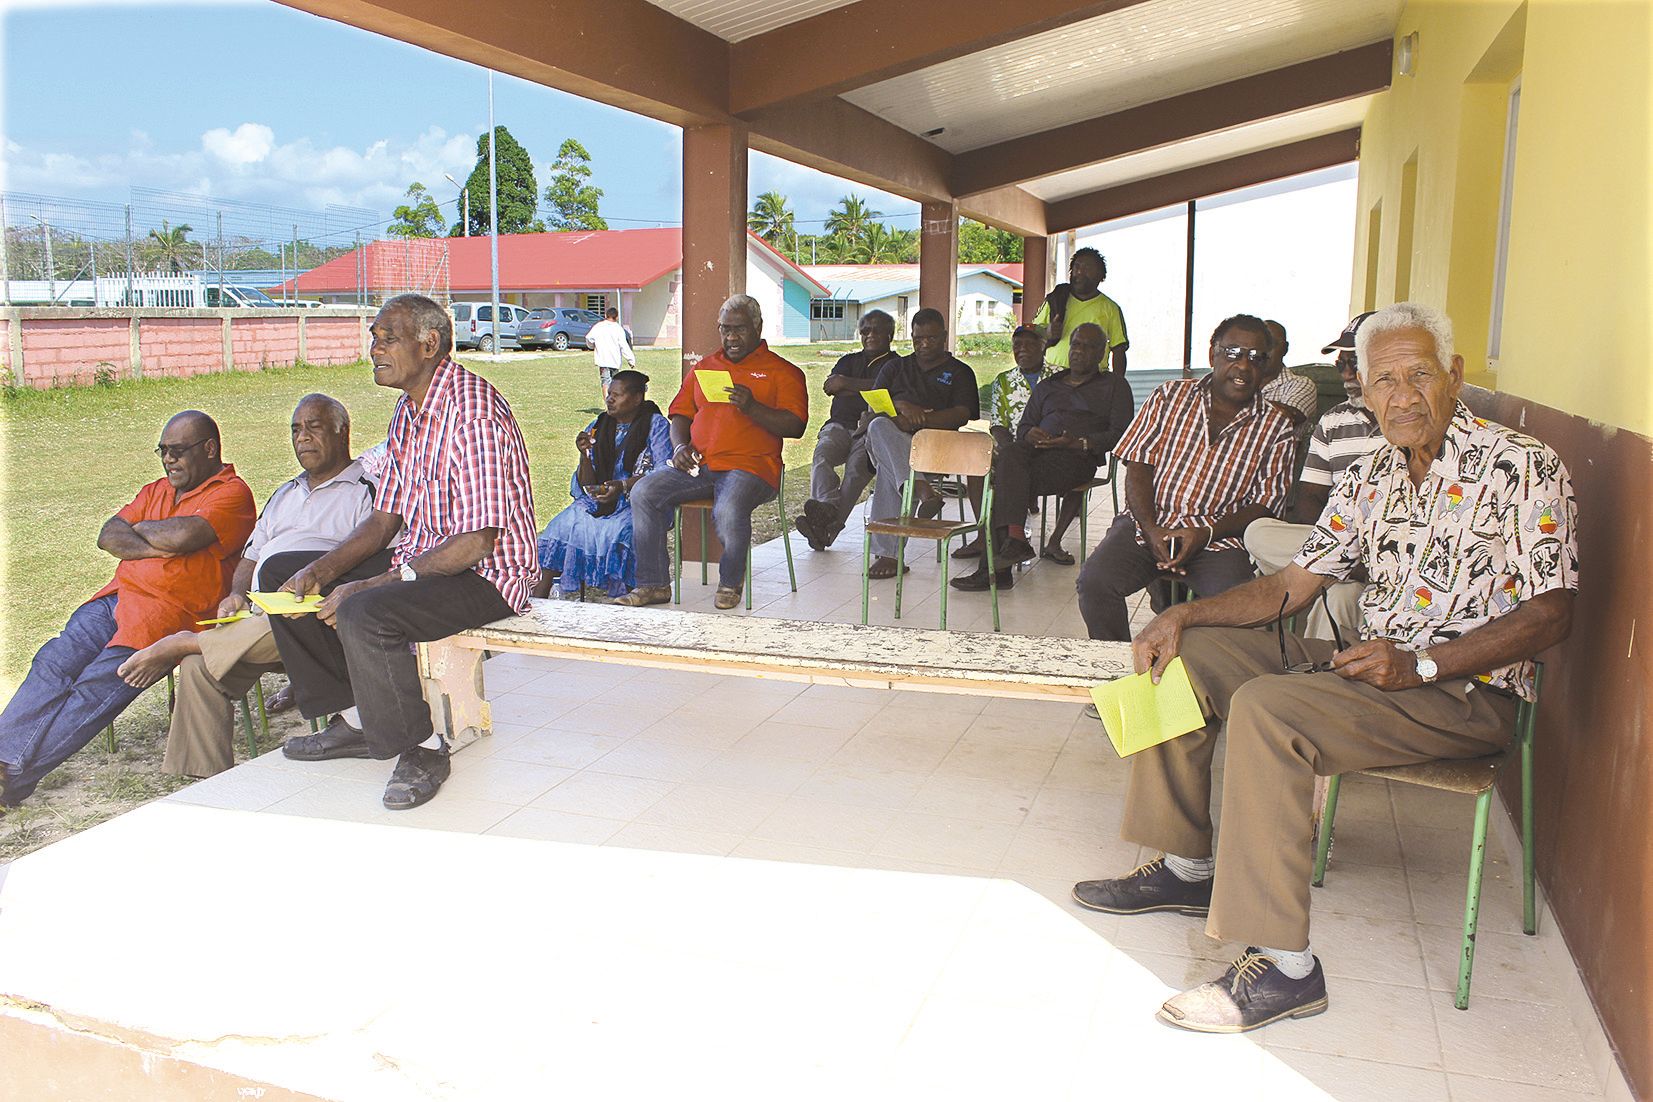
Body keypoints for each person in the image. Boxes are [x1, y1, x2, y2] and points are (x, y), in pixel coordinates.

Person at [1070, 302, 1578, 1034]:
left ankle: (1284, 968)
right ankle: (1184, 867)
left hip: (1465, 690)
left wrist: (1424, 663)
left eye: (1419, 375)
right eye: (1384, 382)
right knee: (1188, 657)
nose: (1403, 396)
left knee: (1270, 710)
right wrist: (1185, 616)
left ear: (1454, 374)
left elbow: (1551, 615)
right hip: (1373, 668)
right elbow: (1290, 585)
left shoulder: (1521, 465)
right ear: (1362, 392)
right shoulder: (1372, 471)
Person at [271, 294, 538, 811]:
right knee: (285, 572)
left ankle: (423, 749)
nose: (374, 350)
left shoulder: (473, 414)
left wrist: (372, 584)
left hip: (488, 575)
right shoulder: (407, 413)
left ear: (429, 344)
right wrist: (320, 570)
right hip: (425, 560)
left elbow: (475, 542)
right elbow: (384, 520)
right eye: (374, 339)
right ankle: (355, 719)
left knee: (365, 610)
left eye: (387, 339)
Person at [115, 395, 380, 778]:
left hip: (317, 618)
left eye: (314, 427)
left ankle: (186, 641)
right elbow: (251, 557)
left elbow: (372, 564)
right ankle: (202, 778)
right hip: (259, 615)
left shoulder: (366, 491)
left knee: (215, 645)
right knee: (199, 668)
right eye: (296, 430)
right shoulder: (285, 493)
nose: (303, 438)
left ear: (343, 433)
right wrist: (237, 594)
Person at [0, 412, 255, 807]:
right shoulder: (156, 489)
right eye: (163, 451)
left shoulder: (232, 493)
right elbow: (109, 534)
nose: (168, 460)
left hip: (168, 616)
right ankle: (4, 764)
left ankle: (11, 781)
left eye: (178, 450)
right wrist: (164, 541)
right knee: (52, 661)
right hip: (116, 598)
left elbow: (187, 535)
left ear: (209, 449)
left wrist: (145, 531)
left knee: (93, 689)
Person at [1075, 314, 1296, 641]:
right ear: (1212, 354)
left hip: (1218, 539)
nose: (1244, 365)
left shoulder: (1276, 426)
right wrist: (1151, 529)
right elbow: (1138, 464)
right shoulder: (1169, 396)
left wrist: (1204, 534)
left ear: (1267, 366)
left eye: (1256, 357)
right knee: (1095, 583)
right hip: (1149, 524)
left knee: (1239, 612)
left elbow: (1265, 504)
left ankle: (1198, 667)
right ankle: (1120, 663)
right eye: (1233, 352)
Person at [616, 294, 808, 611]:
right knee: (644, 491)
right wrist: (680, 446)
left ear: (758, 327)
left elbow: (796, 425)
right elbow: (680, 414)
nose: (731, 337)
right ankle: (653, 585)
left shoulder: (783, 371)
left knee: (728, 509)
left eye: (739, 329)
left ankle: (730, 582)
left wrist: (752, 407)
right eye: (725, 329)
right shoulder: (706, 366)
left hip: (752, 469)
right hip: (700, 466)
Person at [951, 323, 1135, 591]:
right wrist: (1031, 434)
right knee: (1010, 456)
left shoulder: (1114, 386)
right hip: (1036, 453)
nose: (1078, 351)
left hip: (1076, 459)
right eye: (1075, 344)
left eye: (1087, 347)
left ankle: (997, 568)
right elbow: (1024, 426)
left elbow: (1121, 434)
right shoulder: (1050, 385)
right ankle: (1011, 546)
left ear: (1101, 353)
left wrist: (1078, 443)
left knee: (1006, 481)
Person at [1244, 312, 1384, 641]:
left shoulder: (1407, 424)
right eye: (1341, 364)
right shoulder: (1334, 421)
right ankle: (1350, 570)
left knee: (1336, 594)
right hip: (1341, 542)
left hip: (1392, 543)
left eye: (1354, 362)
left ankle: (1342, 570)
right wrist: (1334, 546)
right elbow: (1310, 496)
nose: (1346, 373)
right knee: (1258, 534)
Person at [861, 307, 979, 580]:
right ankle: (920, 487)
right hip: (892, 438)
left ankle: (889, 554)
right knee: (879, 426)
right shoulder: (896, 367)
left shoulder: (960, 372)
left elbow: (962, 414)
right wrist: (901, 408)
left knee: (891, 470)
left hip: (937, 447)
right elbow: (874, 405)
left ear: (945, 337)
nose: (924, 344)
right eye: (918, 339)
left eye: (931, 338)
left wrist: (921, 421)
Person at [534, 369, 673, 599]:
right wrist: (585, 455)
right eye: (609, 394)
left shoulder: (655, 425)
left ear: (637, 398)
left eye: (617, 395)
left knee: (621, 532)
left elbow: (663, 472)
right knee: (560, 526)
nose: (609, 400)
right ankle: (536, 599)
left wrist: (623, 486)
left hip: (638, 503)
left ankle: (631, 596)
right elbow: (586, 484)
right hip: (601, 501)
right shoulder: (600, 424)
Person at [795, 309, 897, 551]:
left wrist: (846, 383)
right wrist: (864, 388)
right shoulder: (848, 361)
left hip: (870, 430)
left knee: (855, 471)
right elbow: (830, 387)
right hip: (838, 426)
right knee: (822, 456)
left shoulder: (896, 365)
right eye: (865, 331)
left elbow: (886, 391)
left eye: (876, 331)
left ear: (890, 335)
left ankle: (825, 531)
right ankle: (827, 508)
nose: (869, 335)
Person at [1033, 247, 1129, 373]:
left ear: (1101, 276)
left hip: (1093, 378)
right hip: (1053, 376)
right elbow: (1032, 335)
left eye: (1087, 268)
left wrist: (1117, 382)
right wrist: (1047, 333)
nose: (1079, 272)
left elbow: (1118, 349)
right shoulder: (1056, 299)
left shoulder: (1111, 308)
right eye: (1076, 267)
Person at [1258, 320, 1320, 433]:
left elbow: (1283, 419)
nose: (1264, 351)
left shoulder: (1300, 384)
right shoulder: (1237, 382)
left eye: (1271, 344)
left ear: (1285, 348)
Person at [589, 306, 636, 392]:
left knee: (605, 382)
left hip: (603, 360)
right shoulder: (618, 329)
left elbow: (589, 338)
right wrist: (631, 360)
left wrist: (592, 346)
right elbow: (624, 346)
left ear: (605, 315)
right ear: (617, 317)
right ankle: (614, 399)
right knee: (614, 383)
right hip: (615, 361)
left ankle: (607, 400)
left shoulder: (598, 326)